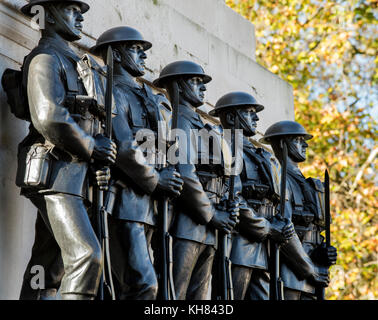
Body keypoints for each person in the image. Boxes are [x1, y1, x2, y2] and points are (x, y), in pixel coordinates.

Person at [16, 0, 117, 300]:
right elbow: (50, 117)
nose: (81, 18)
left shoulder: (71, 61)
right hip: (53, 173)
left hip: (72, 176)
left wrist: (99, 157)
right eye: (72, 10)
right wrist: (91, 147)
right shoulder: (45, 59)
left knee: (47, 267)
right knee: (87, 257)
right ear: (50, 13)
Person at [90, 26, 184, 300]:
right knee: (142, 286)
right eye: (135, 49)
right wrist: (156, 180)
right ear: (116, 55)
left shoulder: (149, 97)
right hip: (125, 203)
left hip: (152, 206)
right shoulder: (112, 90)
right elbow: (125, 147)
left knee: (151, 288)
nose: (144, 56)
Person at [153, 61, 239, 300]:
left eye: (202, 83)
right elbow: (186, 174)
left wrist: (228, 204)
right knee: (175, 295)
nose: (203, 88)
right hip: (186, 224)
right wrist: (213, 214)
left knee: (198, 298)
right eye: (196, 82)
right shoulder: (178, 122)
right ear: (179, 86)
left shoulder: (201, 126)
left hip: (208, 226)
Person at [209, 92, 295, 300]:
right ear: (230, 118)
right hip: (239, 245)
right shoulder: (224, 145)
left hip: (265, 250)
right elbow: (232, 194)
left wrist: (284, 225)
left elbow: (278, 199)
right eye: (249, 113)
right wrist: (266, 227)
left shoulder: (263, 155)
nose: (256, 118)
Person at [260, 120, 337, 300]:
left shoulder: (309, 184)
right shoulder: (279, 178)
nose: (305, 144)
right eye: (297, 140)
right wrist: (309, 268)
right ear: (281, 143)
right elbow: (284, 229)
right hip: (292, 272)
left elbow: (315, 228)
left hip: (314, 269)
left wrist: (324, 251)